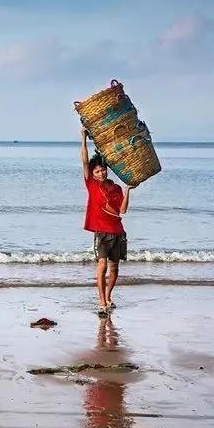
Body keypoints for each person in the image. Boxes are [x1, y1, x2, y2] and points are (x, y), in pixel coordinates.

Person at [79, 126, 133, 314]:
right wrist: (83, 138)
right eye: (97, 171)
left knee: (115, 269)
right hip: (101, 233)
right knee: (102, 266)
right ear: (92, 174)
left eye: (102, 170)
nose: (100, 173)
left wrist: (127, 190)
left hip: (118, 233)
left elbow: (122, 210)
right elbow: (84, 161)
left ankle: (108, 296)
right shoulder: (91, 184)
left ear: (106, 170)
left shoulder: (116, 188)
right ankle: (101, 301)